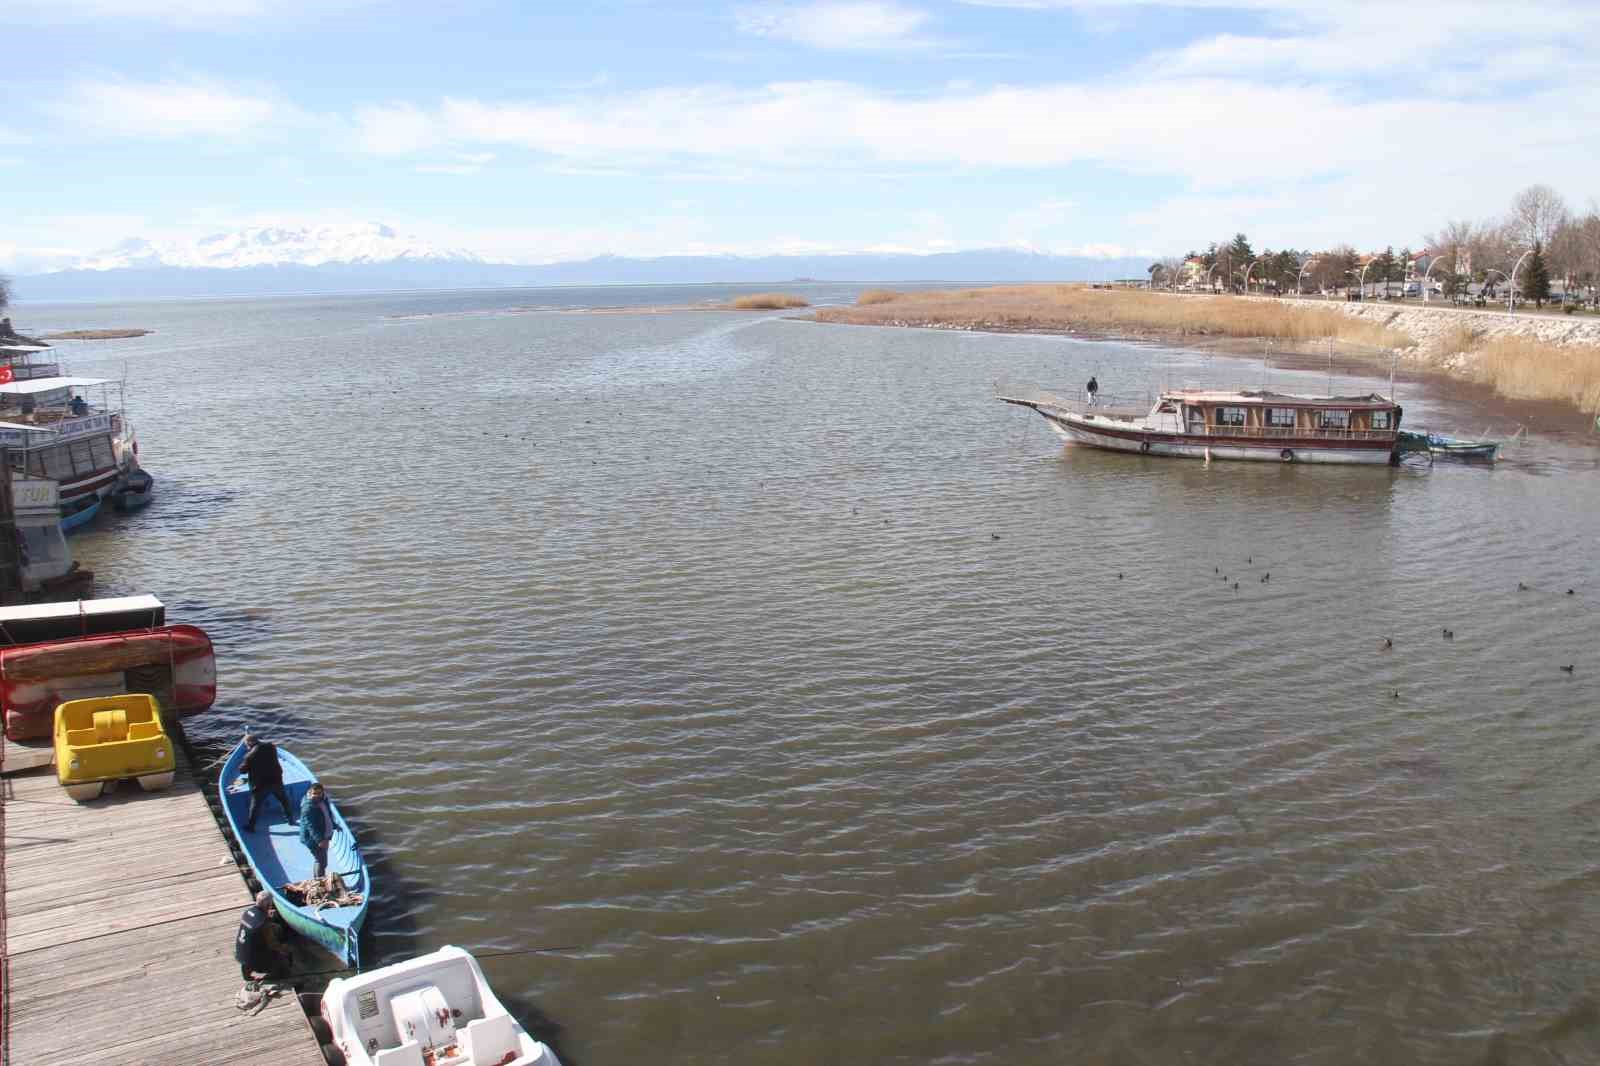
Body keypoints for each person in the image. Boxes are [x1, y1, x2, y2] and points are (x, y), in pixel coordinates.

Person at [241, 734, 295, 832]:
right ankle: (290, 820)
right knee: (284, 800)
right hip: (276, 780)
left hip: (260, 785)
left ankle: (251, 826)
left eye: (246, 744)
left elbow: (242, 770)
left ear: (249, 743)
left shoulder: (249, 756)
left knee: (255, 806)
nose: (246, 746)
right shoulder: (271, 747)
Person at [235, 890, 291, 982]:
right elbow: (273, 944)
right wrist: (286, 949)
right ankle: (268, 977)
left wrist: (267, 916)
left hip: (241, 956)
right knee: (284, 964)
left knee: (250, 945)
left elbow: (255, 923)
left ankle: (246, 974)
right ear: (268, 905)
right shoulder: (263, 923)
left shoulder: (247, 912)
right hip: (256, 962)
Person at [299, 782, 336, 881]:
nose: (316, 795)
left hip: (324, 835)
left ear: (323, 793)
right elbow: (311, 827)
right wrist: (320, 840)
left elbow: (327, 815)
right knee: (321, 861)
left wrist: (334, 825)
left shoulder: (323, 800)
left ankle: (319, 879)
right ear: (309, 793)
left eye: (319, 793)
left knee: (322, 861)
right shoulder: (308, 808)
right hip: (312, 839)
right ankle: (319, 881)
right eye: (314, 793)